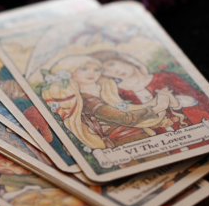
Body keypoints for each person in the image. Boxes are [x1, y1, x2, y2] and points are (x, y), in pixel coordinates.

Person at [41, 55, 177, 150]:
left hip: (143, 139)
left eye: (96, 70)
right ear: (69, 72)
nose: (91, 73)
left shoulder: (105, 92)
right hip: (127, 144)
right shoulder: (86, 100)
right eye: (83, 69)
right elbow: (126, 118)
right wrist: (158, 107)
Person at [92, 50, 209, 134]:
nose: (113, 71)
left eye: (111, 64)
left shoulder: (166, 78)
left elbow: (205, 106)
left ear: (123, 59)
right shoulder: (118, 95)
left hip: (197, 135)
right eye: (105, 71)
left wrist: (176, 103)